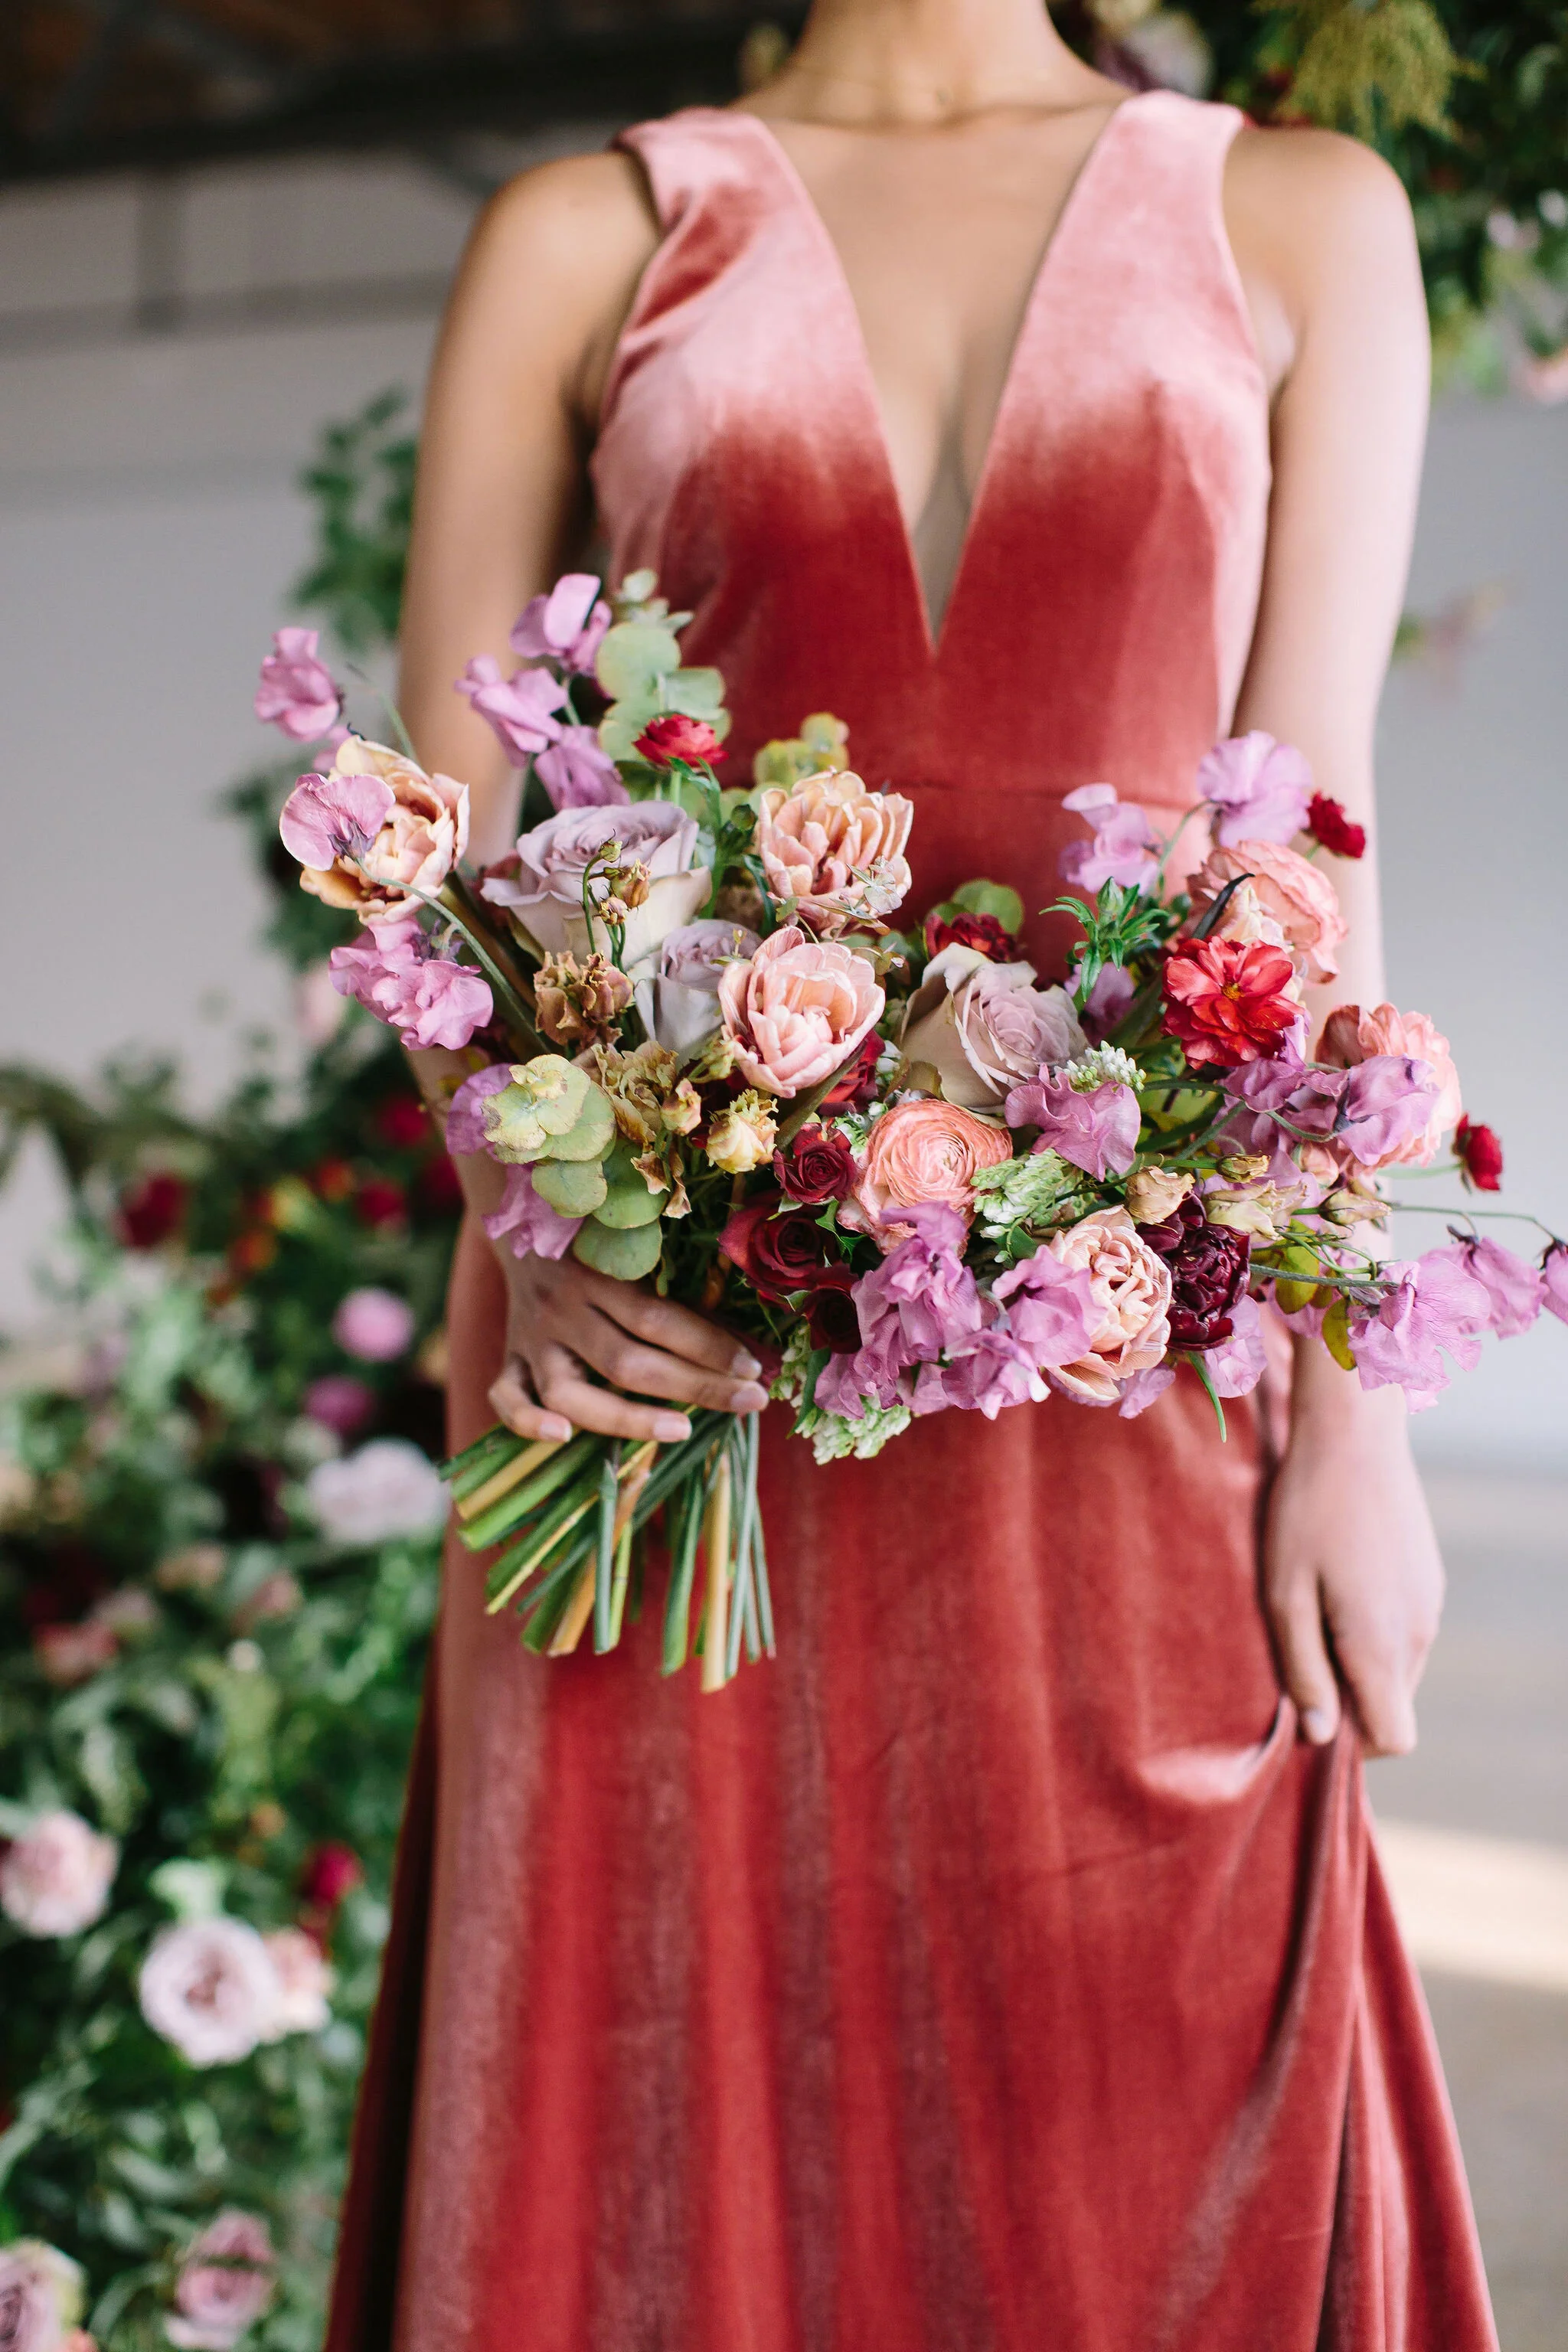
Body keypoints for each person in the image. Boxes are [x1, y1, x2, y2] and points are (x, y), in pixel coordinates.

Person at [326, 3, 1499, 2344]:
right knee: (654, 2093)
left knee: (1157, 2091)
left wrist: (1358, 1416)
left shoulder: (1301, 214)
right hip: (662, 1352)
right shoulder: (589, 235)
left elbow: (1314, 826)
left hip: (1133, 1319)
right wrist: (515, 1219)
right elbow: (426, 845)